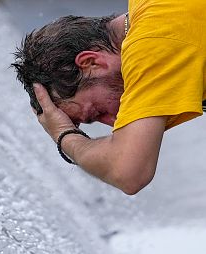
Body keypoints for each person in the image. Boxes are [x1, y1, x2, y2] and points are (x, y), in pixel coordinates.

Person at [11, 0, 206, 195]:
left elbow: (128, 172)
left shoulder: (151, 44)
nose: (114, 122)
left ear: (91, 62)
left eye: (98, 112)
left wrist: (65, 136)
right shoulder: (156, 11)